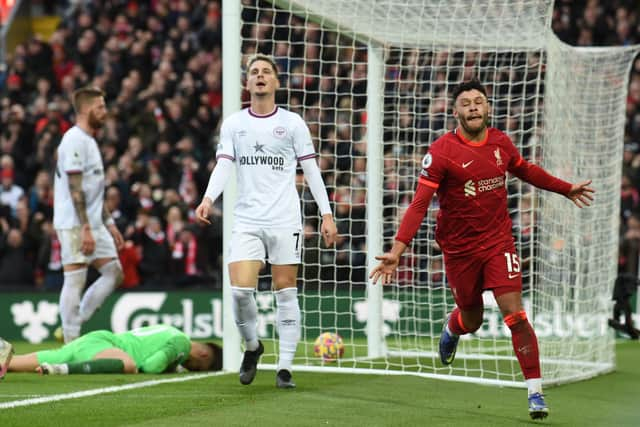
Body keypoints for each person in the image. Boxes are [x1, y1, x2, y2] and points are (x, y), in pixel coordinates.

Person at [369, 79, 595, 420]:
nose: (473, 107)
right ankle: (453, 327)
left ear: (488, 108)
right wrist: (398, 250)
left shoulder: (501, 143)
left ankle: (535, 392)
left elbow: (525, 169)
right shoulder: (442, 152)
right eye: (466, 103)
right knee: (471, 319)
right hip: (459, 249)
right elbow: (419, 204)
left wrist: (565, 189)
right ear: (455, 111)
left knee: (515, 314)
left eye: (479, 101)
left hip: (498, 241)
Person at [195, 54, 337, 389]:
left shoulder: (292, 123)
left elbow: (311, 170)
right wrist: (207, 198)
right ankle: (253, 346)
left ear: (276, 82)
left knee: (286, 292)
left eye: (266, 72)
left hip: (285, 219)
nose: (259, 76)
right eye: (254, 72)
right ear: (247, 83)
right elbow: (224, 165)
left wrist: (326, 213)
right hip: (246, 219)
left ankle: (285, 368)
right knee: (241, 291)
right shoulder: (234, 124)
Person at [53, 86, 125, 343]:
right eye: (100, 107)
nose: (104, 112)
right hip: (74, 223)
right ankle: (71, 339)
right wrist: (84, 227)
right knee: (76, 277)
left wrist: (109, 223)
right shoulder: (73, 140)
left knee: (114, 272)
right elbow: (75, 190)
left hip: (93, 222)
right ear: (85, 110)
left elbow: (94, 190)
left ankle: (75, 321)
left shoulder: (90, 141)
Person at [3, 324, 222, 375]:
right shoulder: (181, 343)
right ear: (203, 354)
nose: (191, 369)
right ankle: (60, 369)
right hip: (104, 347)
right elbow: (151, 366)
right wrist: (170, 366)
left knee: (10, 363)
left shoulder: (173, 331)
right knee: (129, 364)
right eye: (197, 368)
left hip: (96, 342)